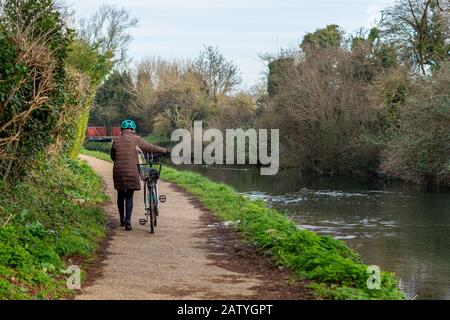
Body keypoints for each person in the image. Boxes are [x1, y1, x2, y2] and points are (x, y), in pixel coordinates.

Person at [110, 119, 169, 231]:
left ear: (121, 129)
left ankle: (122, 220)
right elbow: (151, 147)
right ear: (133, 129)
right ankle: (128, 221)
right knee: (129, 196)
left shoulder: (115, 141)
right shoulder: (137, 139)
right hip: (132, 172)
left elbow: (113, 157)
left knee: (121, 195)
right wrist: (165, 151)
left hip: (118, 172)